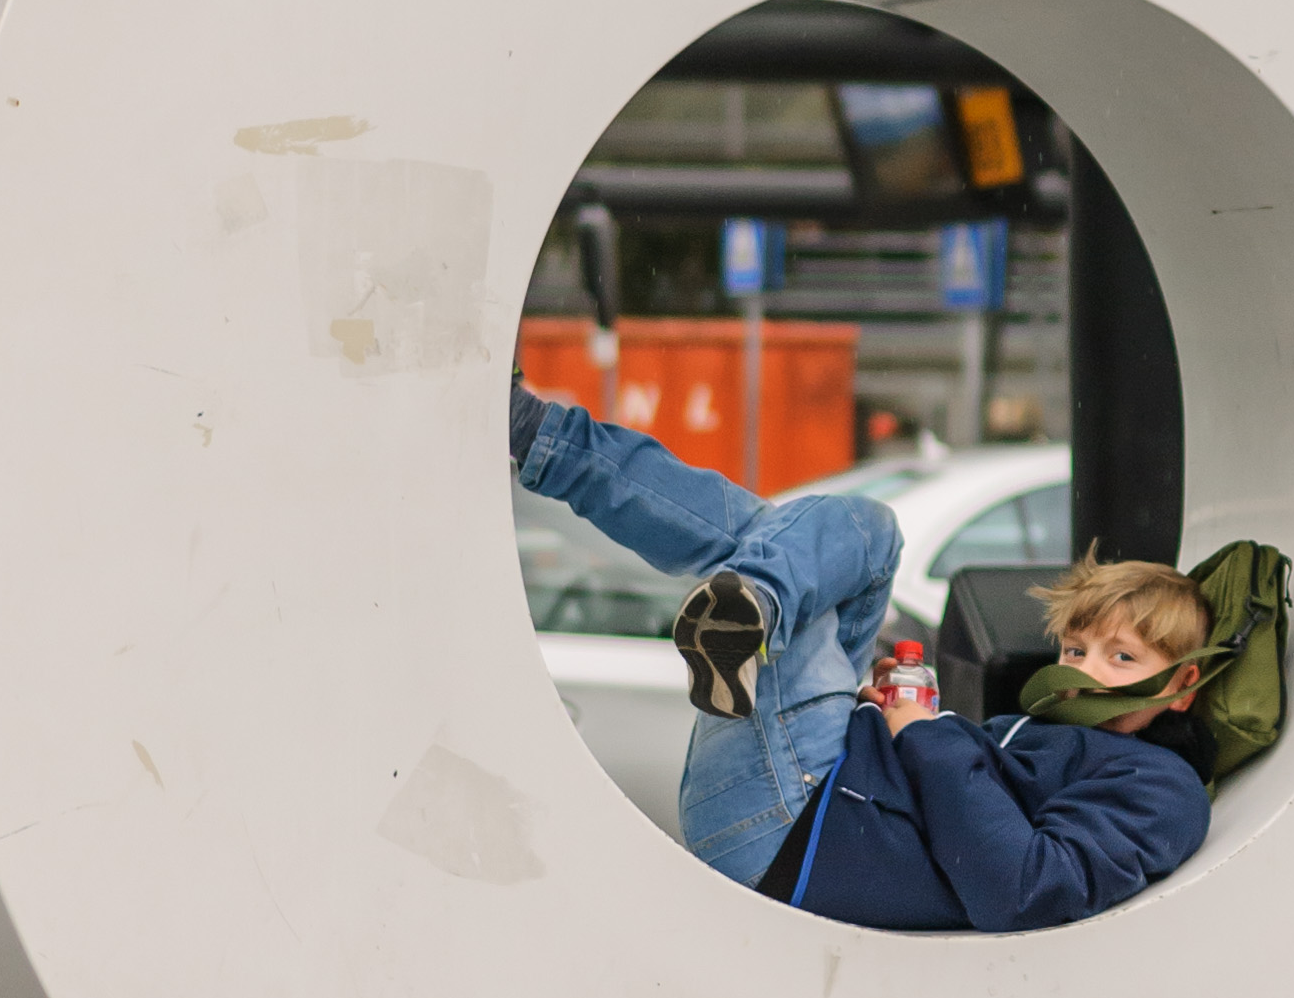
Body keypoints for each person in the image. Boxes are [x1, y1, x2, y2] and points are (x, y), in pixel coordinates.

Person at [510, 377, 1211, 933]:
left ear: (1183, 684)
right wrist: (894, 717)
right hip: (813, 802)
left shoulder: (1159, 788)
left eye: (1122, 659)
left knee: (862, 532)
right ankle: (541, 438)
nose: (1084, 670)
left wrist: (922, 735)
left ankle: (743, 601)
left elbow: (1021, 889)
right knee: (791, 538)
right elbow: (957, 802)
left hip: (801, 827)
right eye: (1076, 648)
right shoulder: (1057, 739)